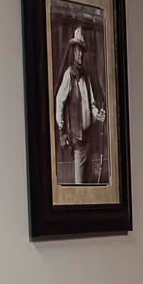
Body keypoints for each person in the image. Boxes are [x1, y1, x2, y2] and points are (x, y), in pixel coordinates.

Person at [54, 26, 107, 186]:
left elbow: (91, 103)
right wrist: (62, 130)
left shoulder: (86, 77)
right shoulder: (69, 75)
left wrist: (97, 115)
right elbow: (59, 101)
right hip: (77, 140)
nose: (80, 54)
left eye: (82, 51)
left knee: (88, 181)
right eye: (77, 51)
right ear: (73, 52)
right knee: (79, 184)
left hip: (89, 137)